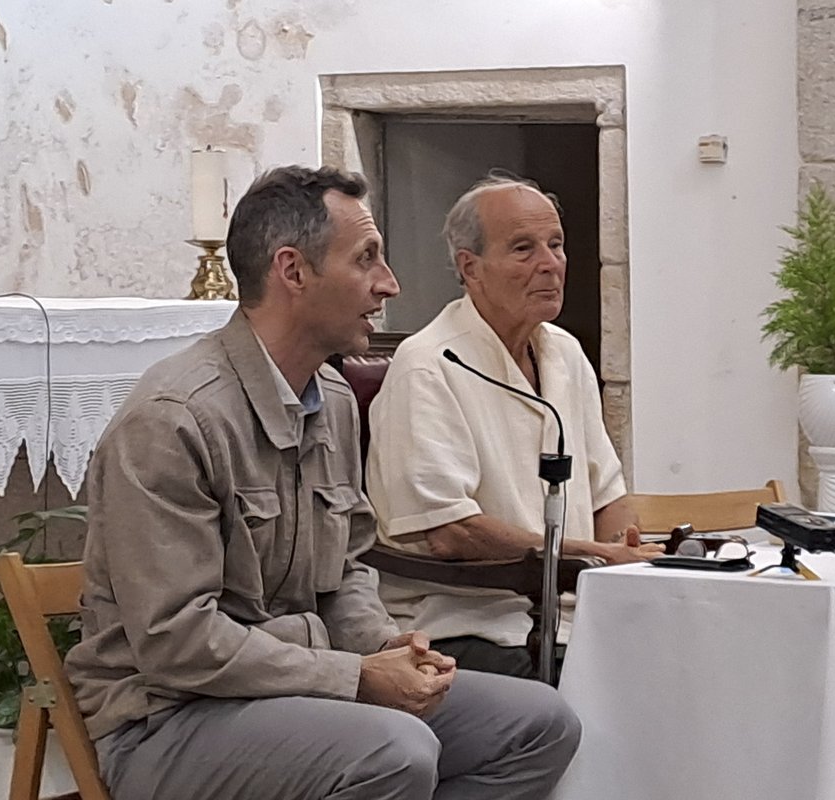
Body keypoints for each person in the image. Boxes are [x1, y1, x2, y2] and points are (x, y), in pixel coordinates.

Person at [64, 166, 581, 800]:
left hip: (302, 688)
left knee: (538, 723)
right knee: (395, 752)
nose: (389, 284)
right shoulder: (173, 420)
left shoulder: (332, 398)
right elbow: (178, 642)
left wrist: (387, 645)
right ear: (293, 271)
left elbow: (351, 566)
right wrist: (354, 675)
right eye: (367, 259)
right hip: (168, 717)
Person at [366, 174, 663, 678]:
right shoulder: (430, 364)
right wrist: (592, 556)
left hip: (575, 608)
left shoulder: (564, 351)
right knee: (643, 680)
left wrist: (624, 560)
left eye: (556, 245)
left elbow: (606, 495)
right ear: (470, 267)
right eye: (523, 249)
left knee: (698, 653)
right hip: (469, 621)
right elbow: (450, 531)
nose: (549, 264)